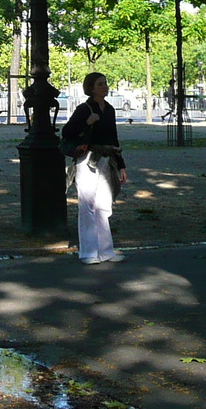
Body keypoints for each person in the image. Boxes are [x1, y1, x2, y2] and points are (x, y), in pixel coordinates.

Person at [61, 72, 128, 265]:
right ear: (90, 88)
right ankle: (89, 252)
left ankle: (106, 251)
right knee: (87, 205)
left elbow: (114, 139)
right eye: (100, 84)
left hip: (106, 160)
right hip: (87, 159)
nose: (104, 87)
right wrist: (87, 122)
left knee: (103, 205)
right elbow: (67, 132)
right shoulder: (84, 109)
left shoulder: (110, 110)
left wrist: (121, 165)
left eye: (105, 83)